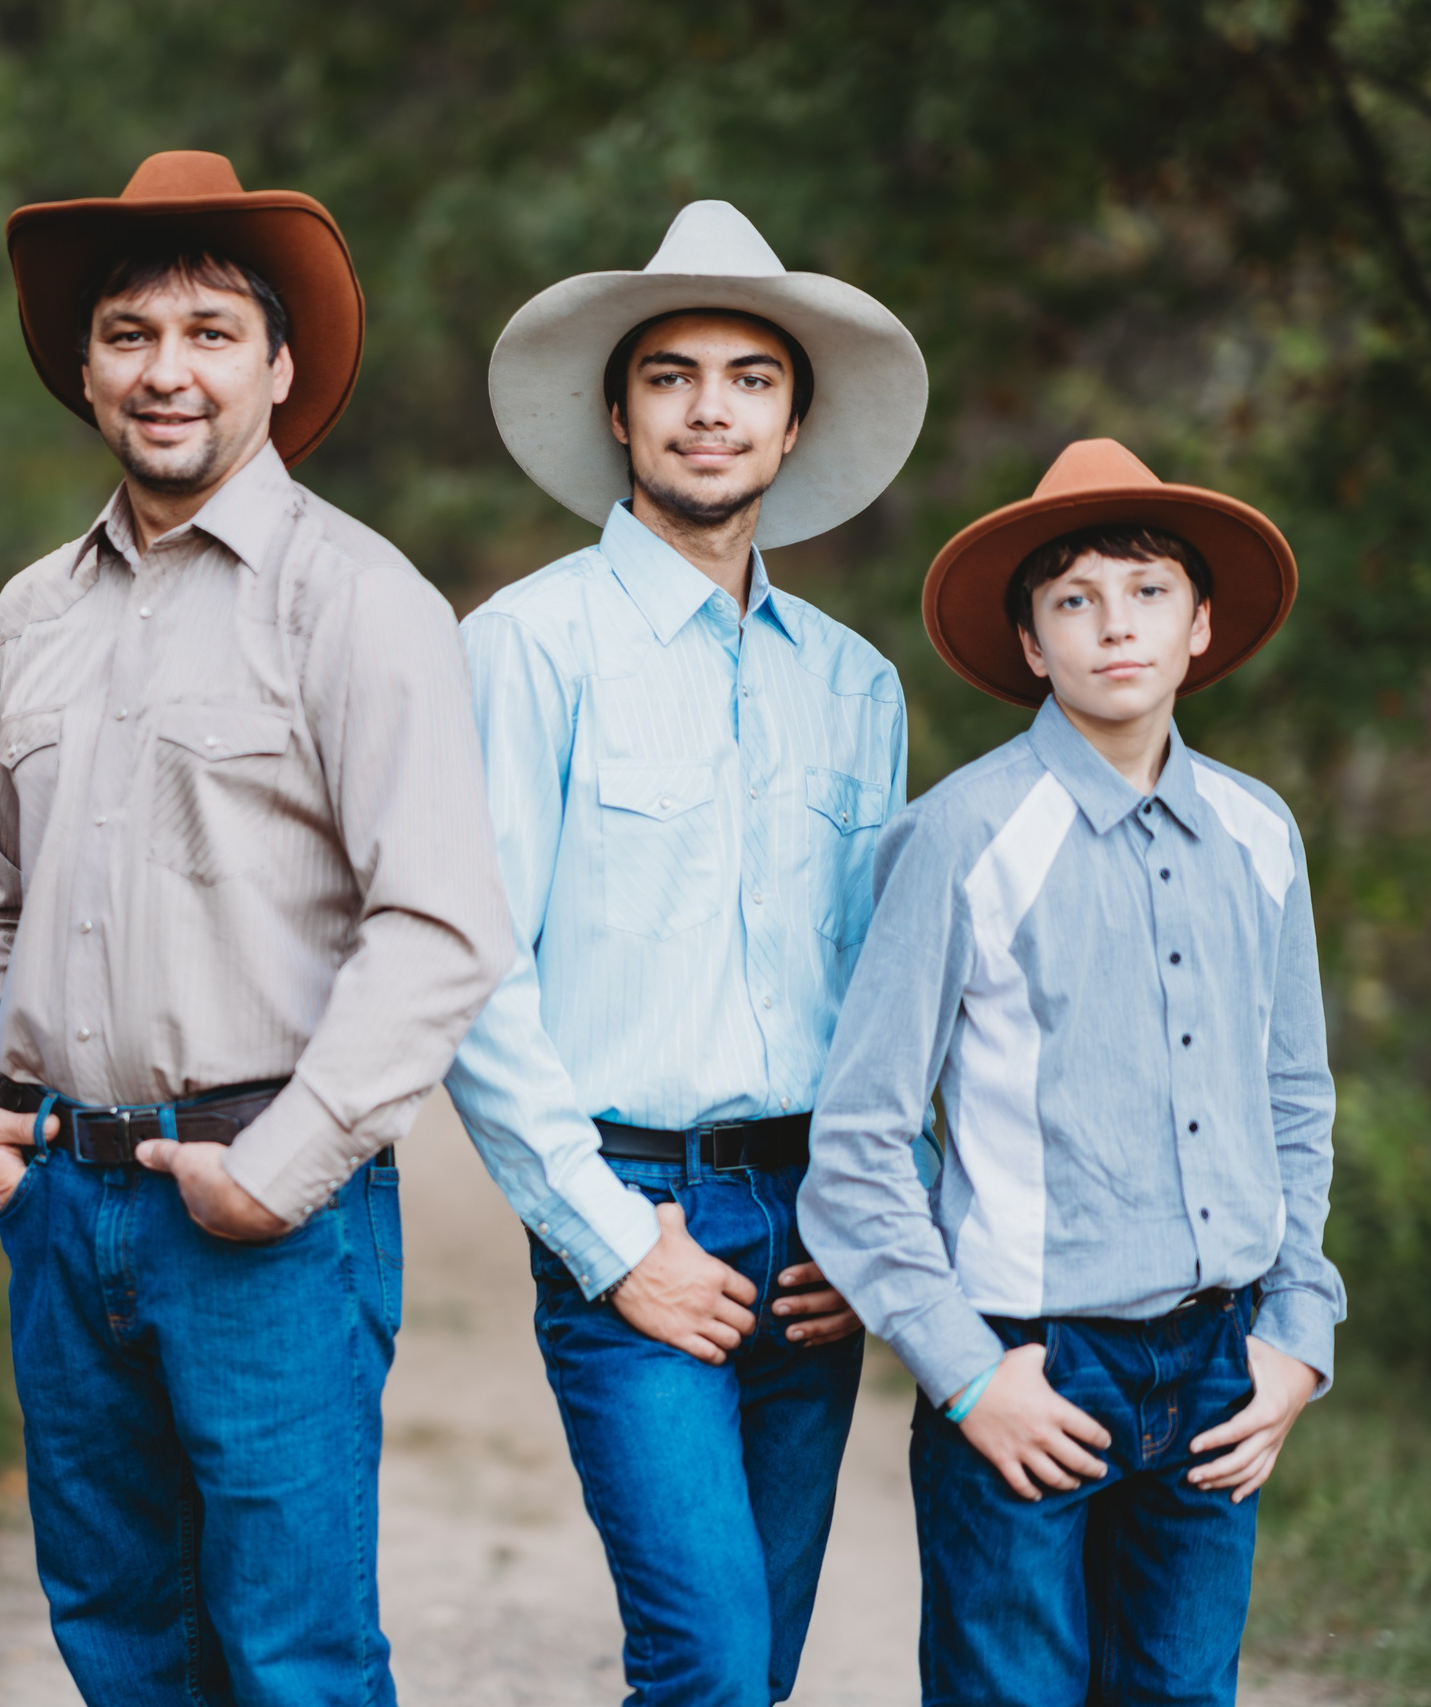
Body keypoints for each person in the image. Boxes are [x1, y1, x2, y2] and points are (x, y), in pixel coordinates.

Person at [0, 150, 513, 1707]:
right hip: (64, 1206)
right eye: (128, 334)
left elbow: (440, 925)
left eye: (209, 331)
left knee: (293, 1655)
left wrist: (280, 1167)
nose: (165, 369)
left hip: (266, 1214)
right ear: (86, 370)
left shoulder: (356, 598)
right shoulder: (31, 613)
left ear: (278, 366)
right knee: (122, 1636)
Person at [445, 201, 929, 1704]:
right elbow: (473, 970)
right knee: (706, 1659)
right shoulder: (527, 646)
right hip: (633, 1207)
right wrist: (610, 1240)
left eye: (750, 378)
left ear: (792, 424)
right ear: (618, 414)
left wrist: (873, 1222)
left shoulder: (856, 684)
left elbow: (889, 993)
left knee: (758, 1668)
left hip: (817, 1226)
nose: (709, 408)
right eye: (670, 375)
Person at [799, 439, 1347, 1705]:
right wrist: (964, 1370)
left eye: (1149, 591)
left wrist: (1295, 1331)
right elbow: (862, 1138)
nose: (1115, 624)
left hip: (1218, 1364)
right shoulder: (962, 835)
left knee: (1180, 1691)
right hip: (1029, 1364)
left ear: (1198, 626)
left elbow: (1293, 1100)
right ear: (1031, 643)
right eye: (1074, 599)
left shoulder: (1259, 835)